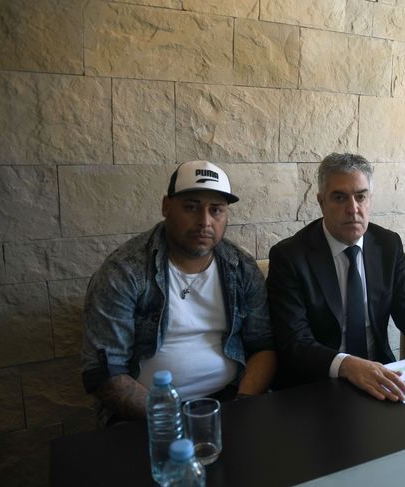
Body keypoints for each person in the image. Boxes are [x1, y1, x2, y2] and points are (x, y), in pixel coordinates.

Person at [266, 153, 405, 402]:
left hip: (381, 376)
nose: (353, 209)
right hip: (316, 385)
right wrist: (347, 366)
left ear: (370, 199)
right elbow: (295, 342)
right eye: (339, 197)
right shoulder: (290, 256)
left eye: (361, 196)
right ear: (321, 202)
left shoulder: (387, 244)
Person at [81, 160, 276, 426]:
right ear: (166, 207)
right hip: (148, 414)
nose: (204, 221)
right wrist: (175, 421)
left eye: (216, 210)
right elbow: (105, 372)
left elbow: (262, 347)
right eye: (191, 207)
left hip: (230, 400)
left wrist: (241, 406)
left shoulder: (241, 267)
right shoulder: (125, 271)